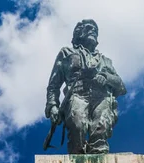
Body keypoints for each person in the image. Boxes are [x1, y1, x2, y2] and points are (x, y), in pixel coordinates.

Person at [45, 20, 126, 154]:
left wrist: (106, 78)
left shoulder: (106, 61)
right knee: (78, 126)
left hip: (101, 97)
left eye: (95, 29)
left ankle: (100, 161)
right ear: (79, 33)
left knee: (101, 128)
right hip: (77, 94)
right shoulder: (66, 53)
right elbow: (54, 84)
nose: (93, 31)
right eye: (89, 28)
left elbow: (121, 86)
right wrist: (52, 105)